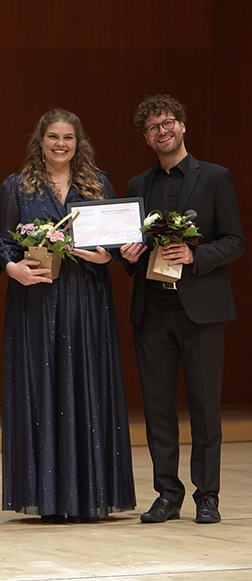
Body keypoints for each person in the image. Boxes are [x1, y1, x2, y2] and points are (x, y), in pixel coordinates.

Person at [0, 108, 135, 522]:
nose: (60, 144)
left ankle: (90, 493)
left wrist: (105, 255)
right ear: (40, 141)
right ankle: (47, 496)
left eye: (68, 138)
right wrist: (12, 268)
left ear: (79, 143)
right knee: (41, 384)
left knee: (87, 382)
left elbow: (115, 245)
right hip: (36, 300)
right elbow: (4, 242)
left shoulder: (99, 183)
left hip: (86, 299)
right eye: (53, 137)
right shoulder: (17, 187)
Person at [120, 95, 244, 524]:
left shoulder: (215, 177)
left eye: (168, 123)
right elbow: (126, 252)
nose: (162, 131)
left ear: (183, 126)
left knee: (205, 408)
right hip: (152, 310)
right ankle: (167, 495)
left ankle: (206, 496)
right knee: (157, 408)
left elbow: (234, 241)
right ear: (146, 137)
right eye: (153, 127)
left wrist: (195, 256)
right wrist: (129, 255)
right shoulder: (138, 185)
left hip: (202, 309)